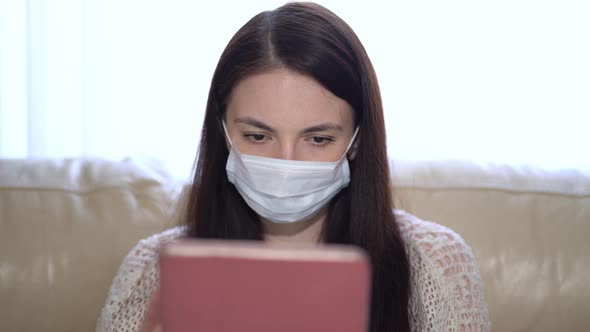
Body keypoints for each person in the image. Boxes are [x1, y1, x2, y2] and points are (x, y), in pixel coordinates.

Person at [96, 2, 490, 331]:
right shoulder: (152, 269)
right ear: (223, 133)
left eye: (318, 139)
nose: (286, 164)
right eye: (257, 136)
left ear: (356, 142)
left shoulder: (435, 264)